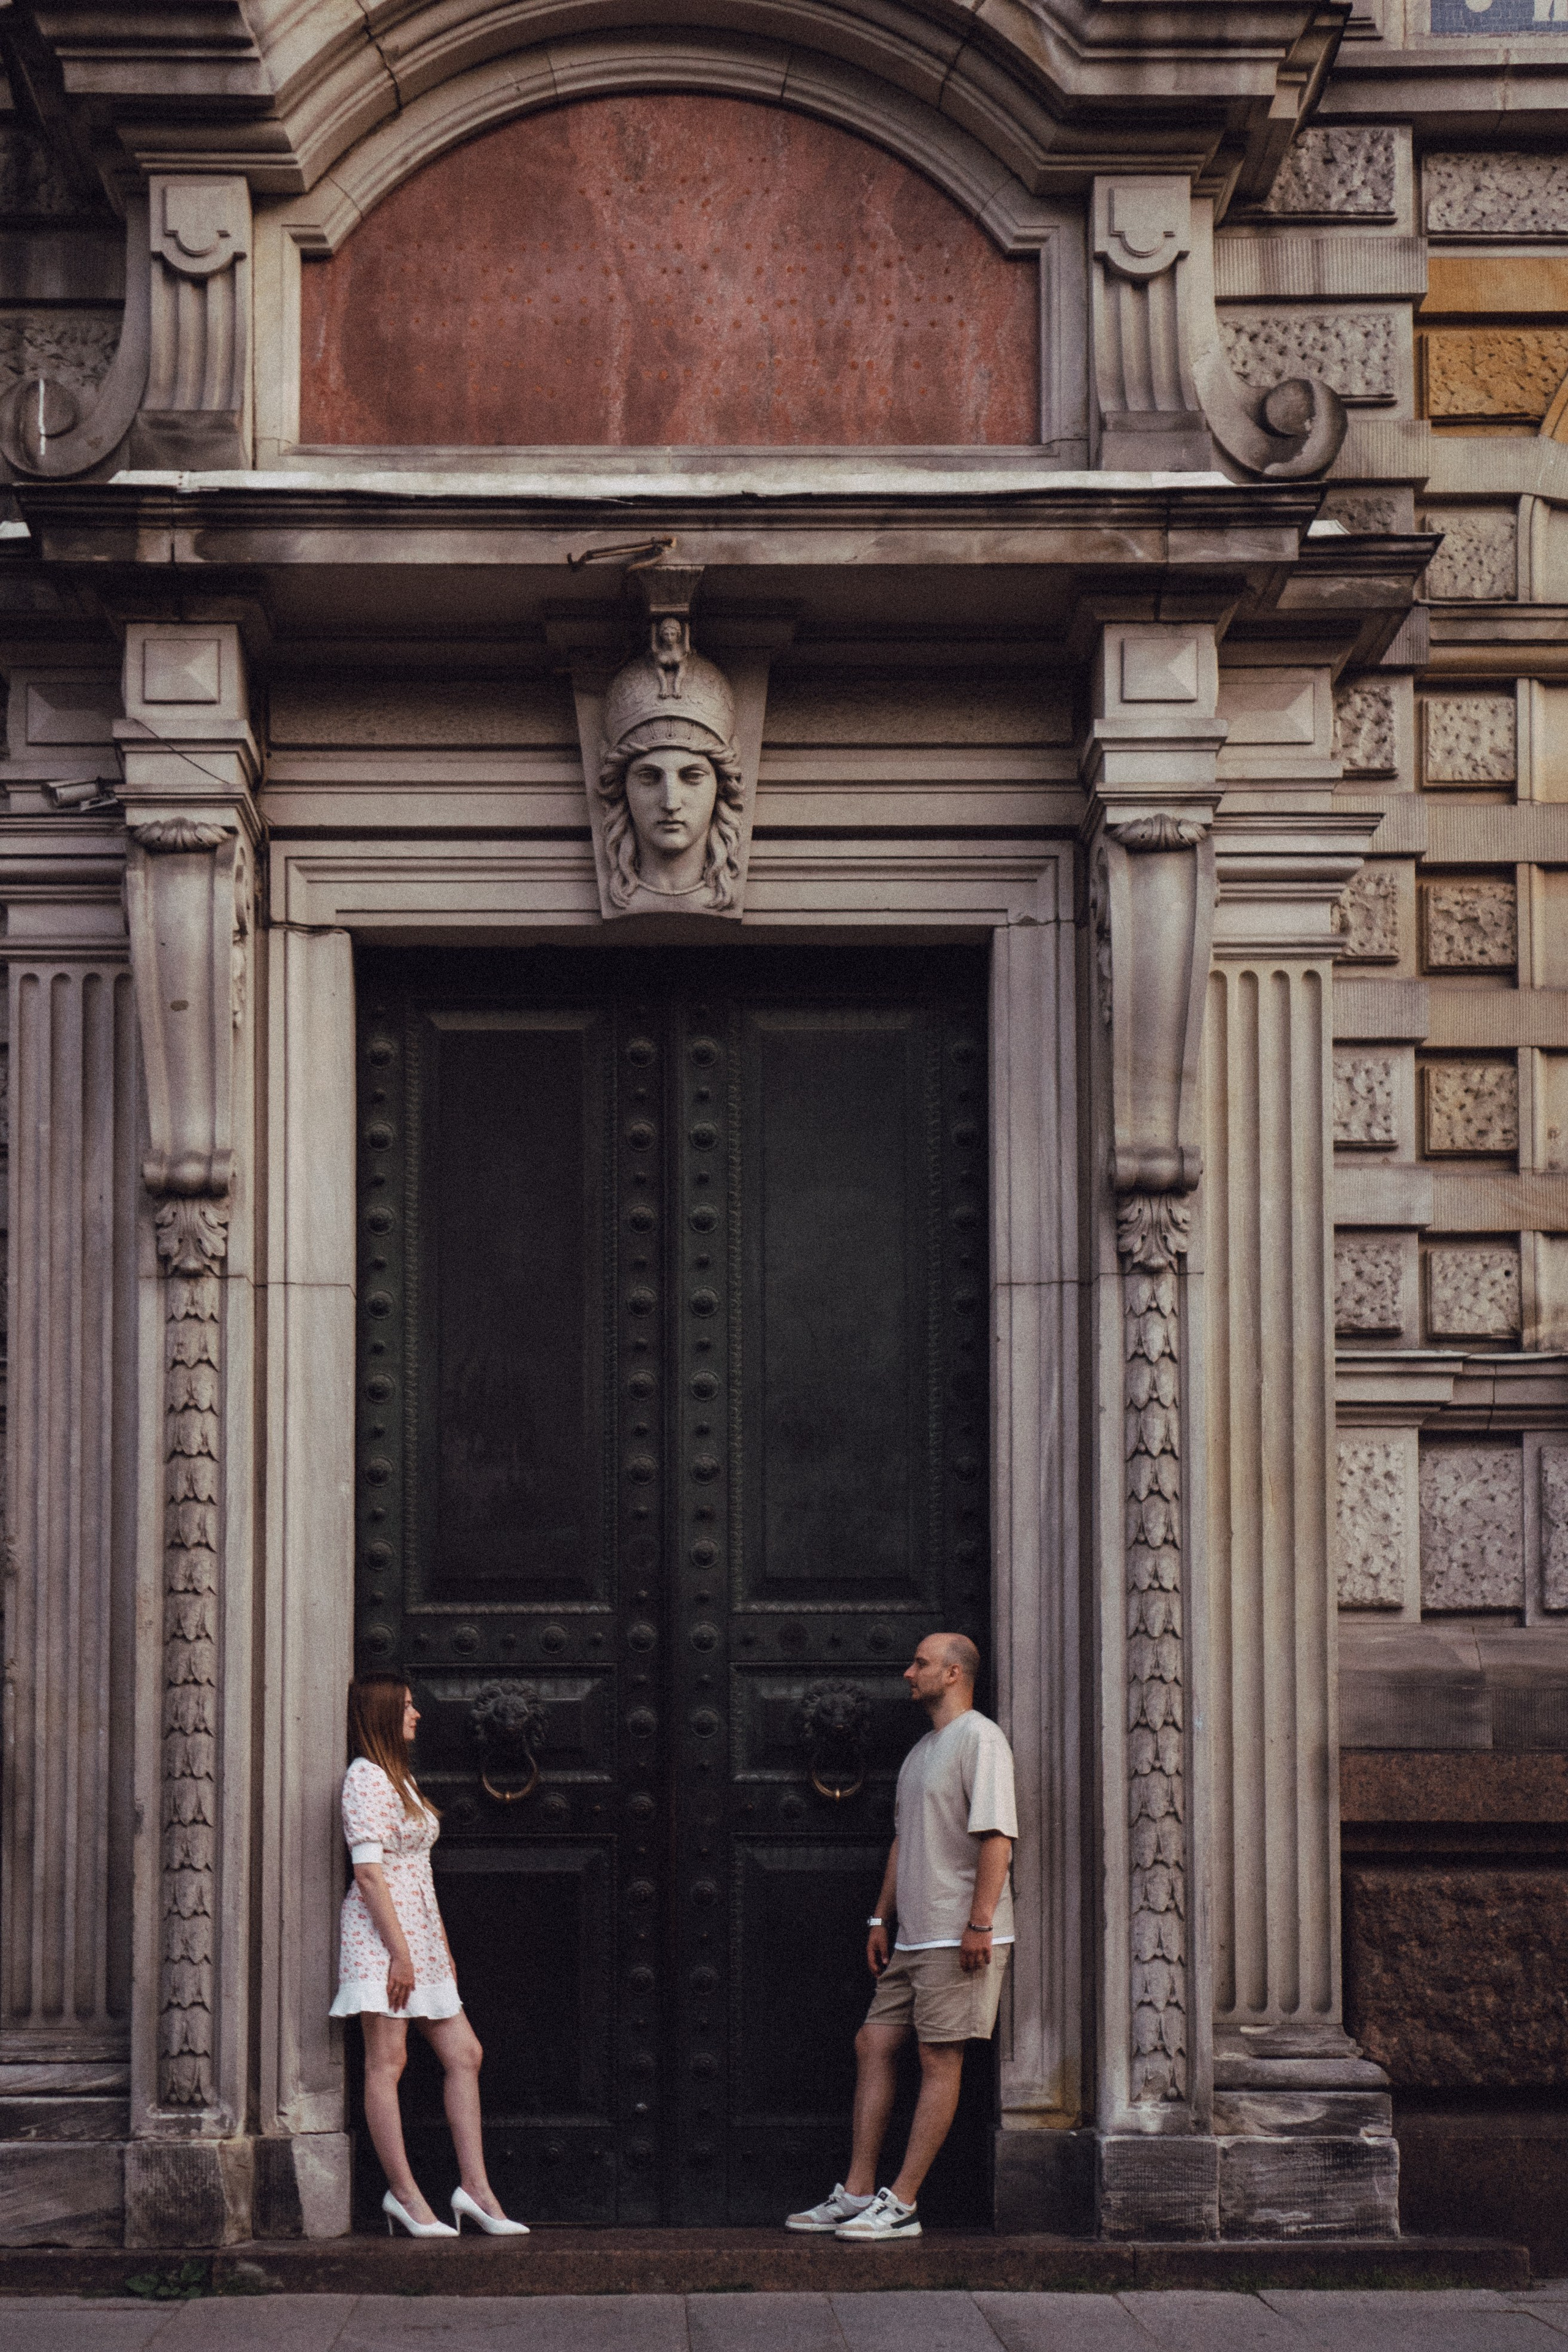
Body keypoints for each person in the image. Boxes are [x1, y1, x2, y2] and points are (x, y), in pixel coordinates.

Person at [785, 1632, 1017, 2244]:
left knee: (939, 2058)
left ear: (953, 1672)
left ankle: (904, 2203)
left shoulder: (981, 1740)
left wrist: (980, 1923)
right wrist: (879, 1918)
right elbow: (902, 1840)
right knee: (873, 2043)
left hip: (958, 1936)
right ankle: (859, 2192)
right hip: (914, 1937)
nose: (908, 1673)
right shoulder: (922, 1751)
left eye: (920, 1664)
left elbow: (997, 1838)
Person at [328, 1674, 529, 2238]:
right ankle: (405, 2197)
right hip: (381, 1938)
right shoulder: (365, 1778)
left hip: (418, 1938)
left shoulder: (401, 1780)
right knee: (387, 2063)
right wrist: (400, 1954)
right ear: (383, 1715)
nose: (416, 1714)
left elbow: (419, 1872)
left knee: (465, 2054)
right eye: (407, 1707)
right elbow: (370, 1875)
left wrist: (438, 1948)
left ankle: (476, 2191)